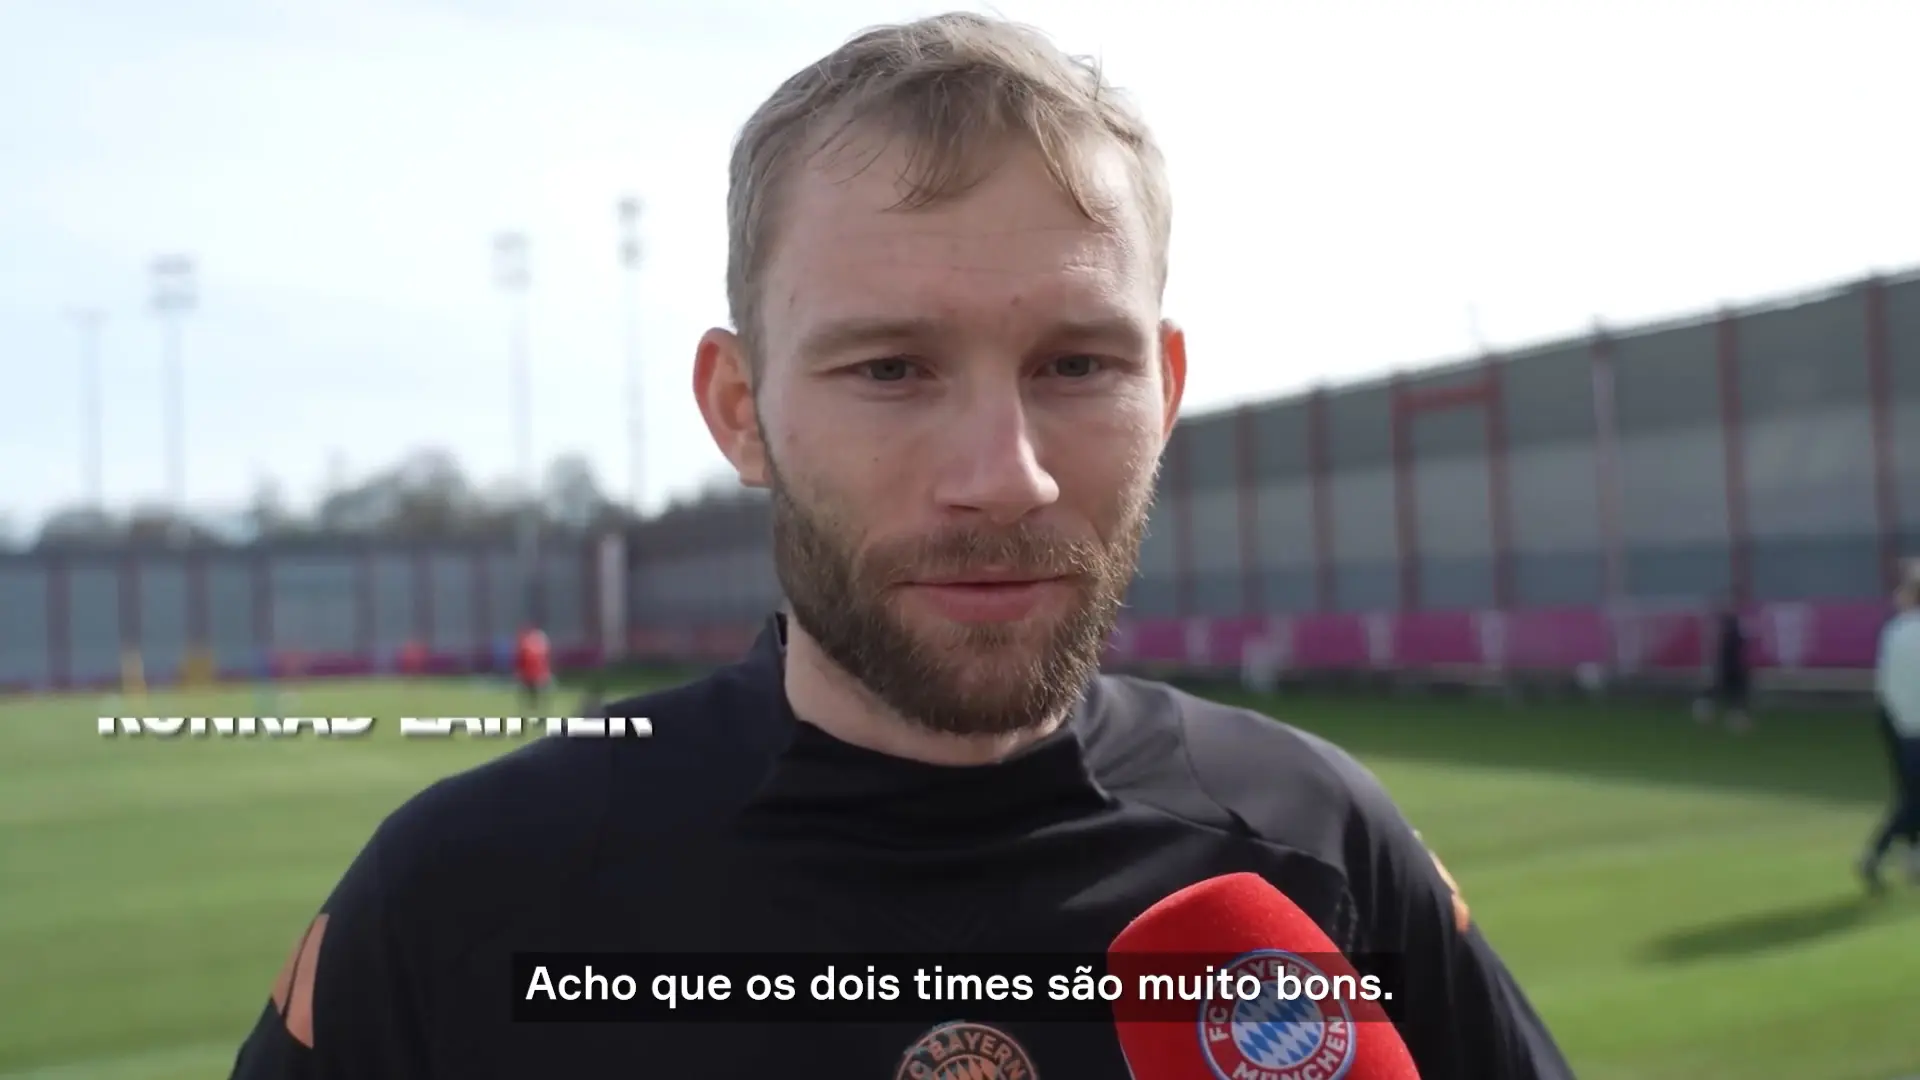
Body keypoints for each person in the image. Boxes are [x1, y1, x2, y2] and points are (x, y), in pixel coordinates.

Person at [226, 14, 1572, 1079]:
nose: (1007, 477)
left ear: (1163, 393)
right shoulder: (462, 898)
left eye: (1077, 364)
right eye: (890, 369)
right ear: (740, 410)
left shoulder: (1316, 848)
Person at [1861, 562, 1920, 892]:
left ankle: (1911, 858)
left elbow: (1885, 683)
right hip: (1914, 726)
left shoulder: (1895, 630)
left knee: (1910, 795)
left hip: (1894, 722)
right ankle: (1875, 854)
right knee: (1914, 801)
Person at [1694, 597, 1751, 733]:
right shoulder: (1726, 624)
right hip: (1727, 663)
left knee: (1727, 690)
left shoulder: (1731, 623)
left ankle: (1730, 716)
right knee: (1724, 689)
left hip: (1730, 663)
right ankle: (1728, 716)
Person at [514, 624, 552, 711]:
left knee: (538, 693)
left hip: (537, 675)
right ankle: (533, 707)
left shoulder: (531, 645)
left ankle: (536, 707)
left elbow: (545, 660)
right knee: (532, 693)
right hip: (531, 675)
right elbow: (521, 660)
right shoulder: (528, 645)